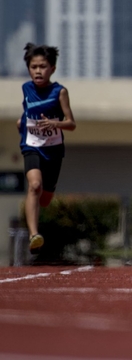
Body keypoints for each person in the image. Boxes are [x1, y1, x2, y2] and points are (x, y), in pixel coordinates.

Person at [17, 43, 76, 255]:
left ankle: (36, 214)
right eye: (34, 67)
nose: (38, 71)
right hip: (31, 146)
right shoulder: (26, 88)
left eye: (43, 66)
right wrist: (21, 122)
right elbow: (27, 111)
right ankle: (34, 235)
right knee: (34, 186)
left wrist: (55, 124)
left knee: (45, 198)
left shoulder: (59, 92)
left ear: (52, 68)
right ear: (29, 69)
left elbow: (71, 123)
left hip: (53, 150)